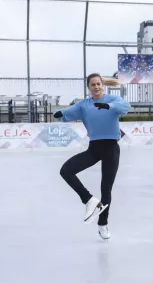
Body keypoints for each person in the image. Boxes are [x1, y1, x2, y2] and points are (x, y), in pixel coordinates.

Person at [53, 73, 130, 240]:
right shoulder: (84, 105)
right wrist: (59, 114)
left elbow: (125, 107)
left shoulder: (112, 99)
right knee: (66, 170)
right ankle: (88, 200)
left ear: (102, 85)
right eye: (93, 85)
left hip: (111, 148)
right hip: (94, 148)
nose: (96, 87)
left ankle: (103, 224)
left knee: (106, 188)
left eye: (98, 84)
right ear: (88, 87)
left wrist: (109, 107)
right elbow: (68, 112)